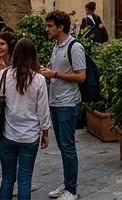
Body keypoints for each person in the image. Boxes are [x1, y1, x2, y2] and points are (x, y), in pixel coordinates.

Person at [0, 38, 51, 200]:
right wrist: (45, 132)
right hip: (30, 136)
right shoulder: (39, 79)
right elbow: (43, 110)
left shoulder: (3, 75)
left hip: (6, 134)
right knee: (25, 180)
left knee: (7, 178)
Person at [42, 10, 86, 200]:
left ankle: (72, 189)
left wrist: (55, 75)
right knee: (62, 145)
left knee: (68, 146)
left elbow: (81, 76)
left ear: (61, 27)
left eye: (50, 26)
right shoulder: (56, 46)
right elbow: (55, 69)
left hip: (68, 103)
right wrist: (47, 71)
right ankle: (67, 183)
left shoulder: (75, 47)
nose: (47, 29)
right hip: (55, 101)